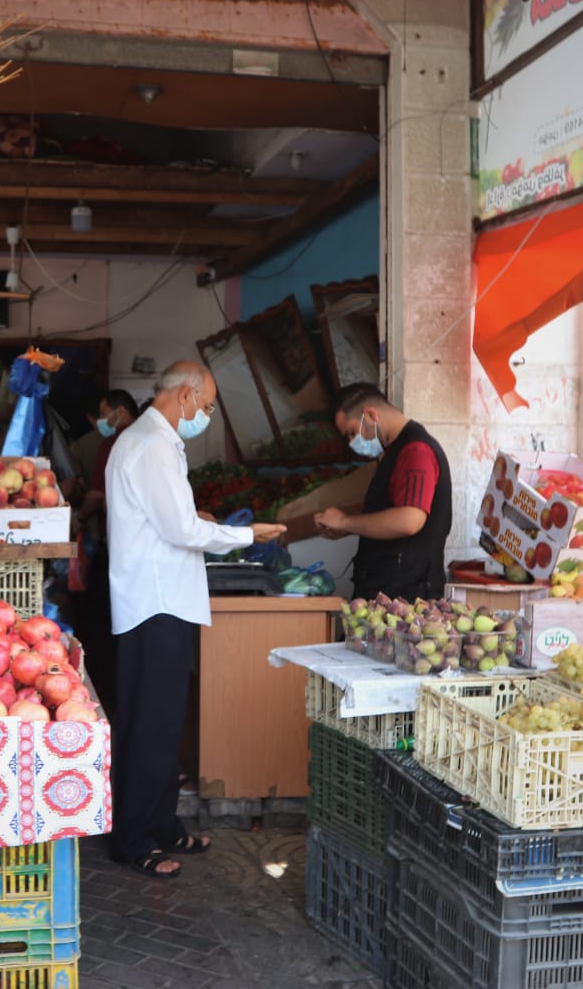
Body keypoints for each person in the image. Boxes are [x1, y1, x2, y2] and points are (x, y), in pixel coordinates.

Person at [105, 361, 286, 878]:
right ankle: (133, 839)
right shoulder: (151, 445)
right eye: (205, 407)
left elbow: (168, 519)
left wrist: (200, 522)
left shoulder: (153, 441)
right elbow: (182, 530)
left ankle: (162, 825)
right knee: (148, 728)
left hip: (163, 602)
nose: (204, 416)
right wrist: (249, 536)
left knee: (162, 725)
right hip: (155, 605)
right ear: (184, 396)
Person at [313, 383, 452, 601]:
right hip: (386, 593)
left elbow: (409, 520)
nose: (351, 443)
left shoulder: (416, 451)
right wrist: (347, 528)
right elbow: (389, 512)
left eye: (351, 432)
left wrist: (345, 521)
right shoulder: (395, 452)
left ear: (370, 414)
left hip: (407, 600)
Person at [74, 389, 141, 717]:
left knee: (105, 626)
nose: (101, 422)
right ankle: (126, 698)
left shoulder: (114, 444)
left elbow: (98, 494)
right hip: (141, 555)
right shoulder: (152, 443)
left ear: (120, 412)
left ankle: (107, 697)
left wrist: (80, 517)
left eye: (104, 415)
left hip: (114, 547)